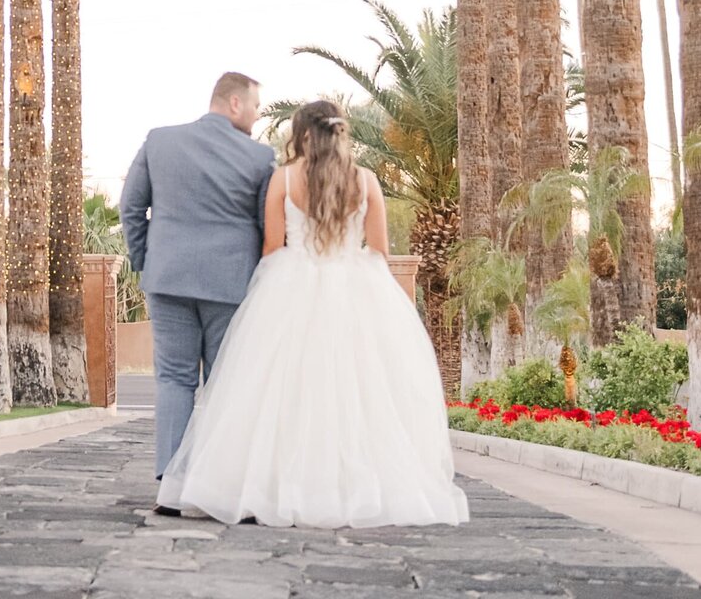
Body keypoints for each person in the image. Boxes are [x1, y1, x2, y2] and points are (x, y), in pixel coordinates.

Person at [156, 98, 470, 530]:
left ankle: (270, 485)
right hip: (357, 288)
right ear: (342, 134)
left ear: (300, 134)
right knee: (358, 391)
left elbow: (271, 247)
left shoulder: (284, 178)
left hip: (290, 285)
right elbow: (379, 251)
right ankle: (348, 488)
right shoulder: (367, 181)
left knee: (280, 390)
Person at [120, 71, 276, 511]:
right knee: (226, 384)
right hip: (231, 283)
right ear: (233, 104)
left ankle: (171, 487)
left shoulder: (159, 141)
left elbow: (131, 207)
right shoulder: (260, 157)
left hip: (167, 280)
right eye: (256, 106)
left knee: (173, 379)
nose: (258, 115)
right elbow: (268, 227)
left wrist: (146, 261)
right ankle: (223, 487)